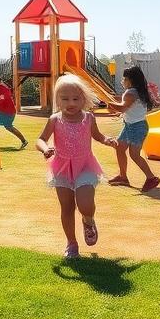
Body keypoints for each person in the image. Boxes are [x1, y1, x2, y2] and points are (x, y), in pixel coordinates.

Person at [36, 74, 118, 259]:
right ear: (57, 99)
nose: (70, 103)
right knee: (66, 207)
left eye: (76, 98)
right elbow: (40, 139)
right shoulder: (54, 119)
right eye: (65, 99)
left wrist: (107, 140)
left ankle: (88, 220)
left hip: (85, 166)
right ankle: (71, 244)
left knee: (85, 204)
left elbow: (97, 136)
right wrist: (45, 148)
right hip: (62, 167)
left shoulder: (88, 118)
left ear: (84, 99)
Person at [108, 65, 159, 192]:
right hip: (131, 125)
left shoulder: (131, 93)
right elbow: (130, 109)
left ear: (130, 80)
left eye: (124, 79)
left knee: (134, 155)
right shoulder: (138, 91)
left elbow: (123, 107)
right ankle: (123, 176)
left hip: (137, 127)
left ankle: (151, 178)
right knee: (120, 148)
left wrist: (108, 103)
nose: (122, 81)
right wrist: (120, 111)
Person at [0, 77, 27, 148]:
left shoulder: (5, 89)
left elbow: (1, 100)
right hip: (3, 112)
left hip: (8, 112)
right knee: (7, 127)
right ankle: (24, 141)